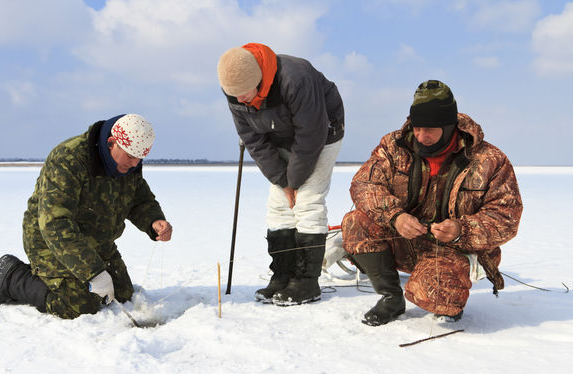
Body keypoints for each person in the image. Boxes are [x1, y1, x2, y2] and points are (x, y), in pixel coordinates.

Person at [341, 80, 522, 326]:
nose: (421, 136)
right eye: (417, 127)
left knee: (436, 297)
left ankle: (449, 302)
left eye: (430, 129)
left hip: (452, 251)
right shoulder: (394, 146)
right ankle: (391, 298)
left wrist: (461, 230)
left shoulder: (489, 160)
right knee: (355, 223)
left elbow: (505, 217)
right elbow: (364, 185)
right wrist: (396, 217)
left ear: (449, 127)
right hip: (404, 240)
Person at [0, 114, 173, 319]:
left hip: (98, 242)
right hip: (50, 242)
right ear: (112, 143)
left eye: (140, 158)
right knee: (80, 303)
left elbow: (139, 198)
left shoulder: (129, 164)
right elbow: (55, 224)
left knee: (122, 294)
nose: (135, 163)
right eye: (130, 156)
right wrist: (92, 271)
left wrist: (154, 221)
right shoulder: (68, 159)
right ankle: (12, 276)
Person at [217, 43, 344, 306]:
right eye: (233, 96)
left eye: (243, 94)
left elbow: (309, 137)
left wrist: (294, 183)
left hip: (322, 133)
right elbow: (253, 140)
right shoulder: (234, 89)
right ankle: (283, 276)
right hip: (279, 136)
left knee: (307, 200)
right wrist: (282, 181)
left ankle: (307, 282)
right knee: (278, 207)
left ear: (258, 80)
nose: (239, 100)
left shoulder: (295, 78)